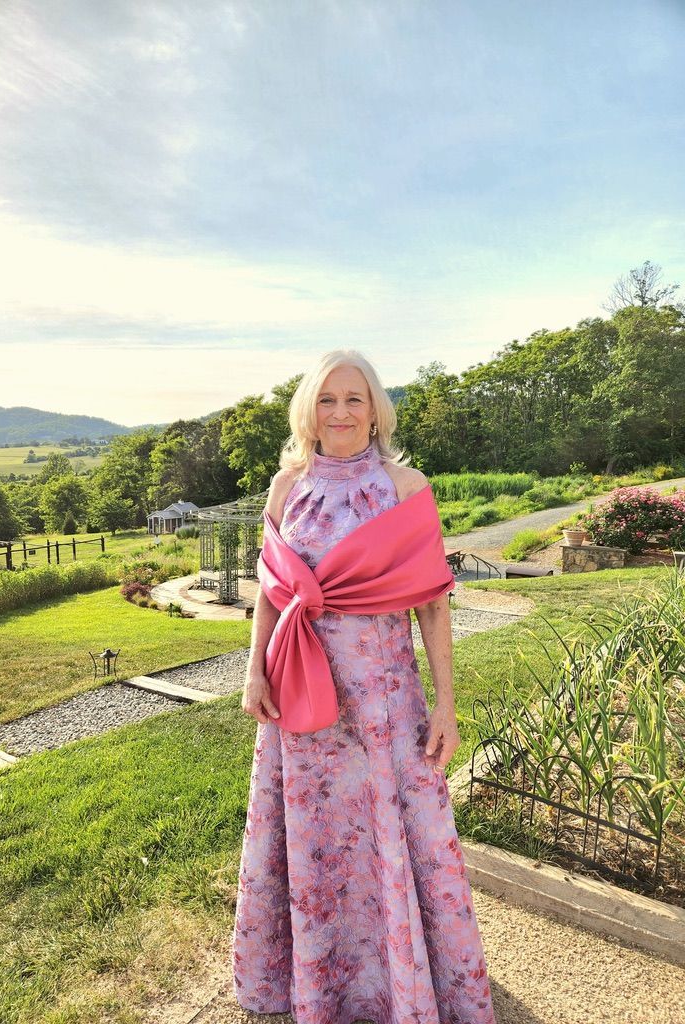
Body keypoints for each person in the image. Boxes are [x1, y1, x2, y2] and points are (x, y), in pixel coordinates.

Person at [232, 349, 497, 1024]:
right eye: (327, 399)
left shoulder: (404, 487)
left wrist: (446, 705)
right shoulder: (285, 487)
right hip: (302, 699)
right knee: (319, 838)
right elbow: (272, 590)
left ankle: (405, 985)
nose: (341, 412)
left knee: (394, 832)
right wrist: (254, 669)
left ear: (376, 410)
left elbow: (432, 603)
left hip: (384, 704)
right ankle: (324, 984)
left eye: (355, 399)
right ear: (308, 412)